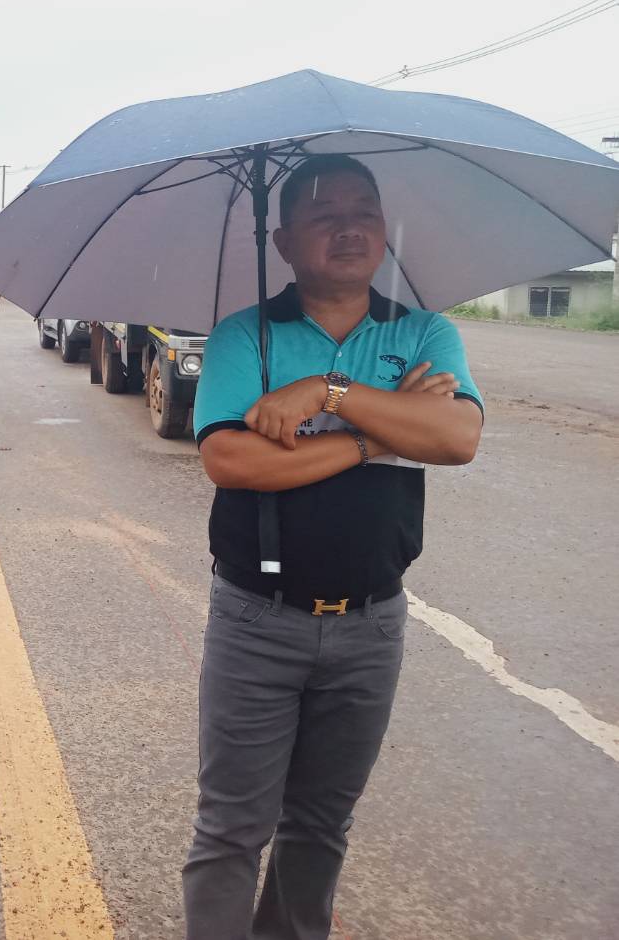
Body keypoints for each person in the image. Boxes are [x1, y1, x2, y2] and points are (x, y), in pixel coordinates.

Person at [183, 153, 484, 940]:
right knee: (231, 827)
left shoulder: (422, 331)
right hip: (256, 619)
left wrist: (327, 393)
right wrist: (379, 435)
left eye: (363, 213)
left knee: (320, 824)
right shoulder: (244, 337)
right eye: (323, 216)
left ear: (384, 231)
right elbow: (232, 461)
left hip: (370, 623)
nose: (348, 229)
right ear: (283, 241)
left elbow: (455, 438)